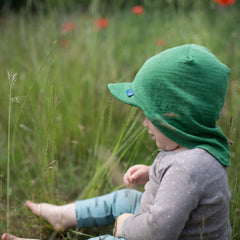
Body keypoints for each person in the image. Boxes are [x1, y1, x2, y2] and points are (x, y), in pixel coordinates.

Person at [2, 44, 232, 240]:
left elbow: (158, 232)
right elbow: (190, 184)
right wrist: (151, 171)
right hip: (165, 220)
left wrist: (126, 225)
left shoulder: (186, 170)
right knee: (125, 198)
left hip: (163, 232)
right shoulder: (200, 148)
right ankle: (63, 216)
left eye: (149, 116)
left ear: (176, 118)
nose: (144, 124)